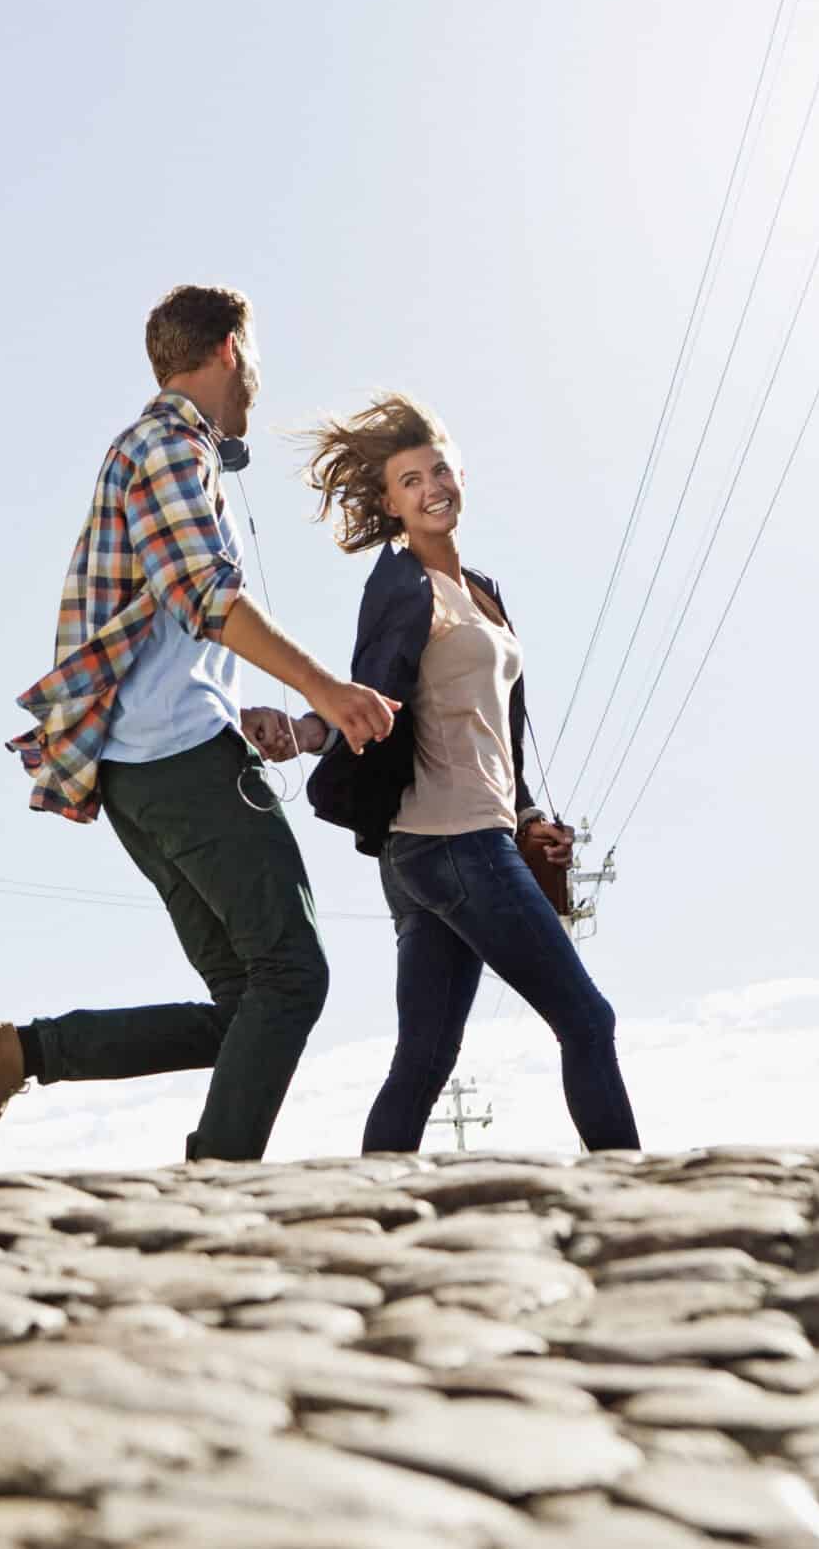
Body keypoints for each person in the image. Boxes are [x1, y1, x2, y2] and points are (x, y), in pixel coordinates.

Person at [0, 285, 400, 1169]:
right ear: (231, 349)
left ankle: (14, 1055)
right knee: (293, 976)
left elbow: (161, 626)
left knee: (247, 1004)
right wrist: (328, 689)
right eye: (255, 359)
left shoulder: (157, 452)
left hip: (144, 768)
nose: (258, 380)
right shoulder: (167, 445)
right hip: (175, 761)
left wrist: (247, 710)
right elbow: (204, 594)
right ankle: (219, 1178)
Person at [303, 393, 641, 1154]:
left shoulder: (482, 589)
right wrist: (311, 727)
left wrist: (523, 814)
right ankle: (632, 1192)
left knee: (423, 1058)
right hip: (451, 840)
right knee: (588, 1019)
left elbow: (502, 723)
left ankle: (369, 1209)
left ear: (460, 473)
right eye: (410, 481)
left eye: (440, 470)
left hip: (450, 843)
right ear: (391, 503)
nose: (432, 488)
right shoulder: (398, 586)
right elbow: (374, 688)